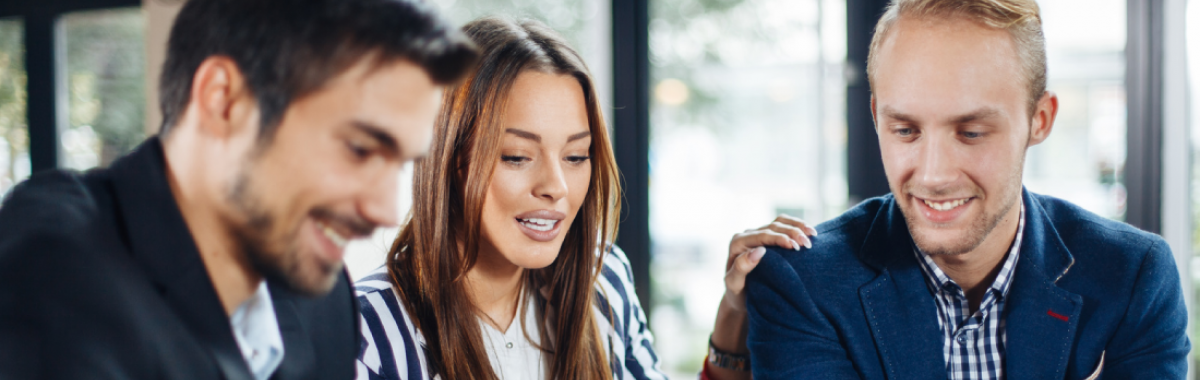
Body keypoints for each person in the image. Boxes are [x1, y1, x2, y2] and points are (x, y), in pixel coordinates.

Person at [0, 0, 476, 378]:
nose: (387, 210)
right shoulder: (56, 270)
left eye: (401, 164)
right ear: (224, 102)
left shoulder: (325, 306)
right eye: (358, 149)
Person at [744, 0, 1189, 379]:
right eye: (905, 130)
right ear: (877, 116)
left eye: (972, 132)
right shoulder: (803, 284)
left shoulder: (1133, 277)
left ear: (1040, 120)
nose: (934, 175)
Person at [353, 17, 817, 380]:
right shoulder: (368, 332)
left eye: (576, 156)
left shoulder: (603, 282)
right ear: (447, 161)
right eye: (517, 157)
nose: (556, 186)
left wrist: (734, 308)